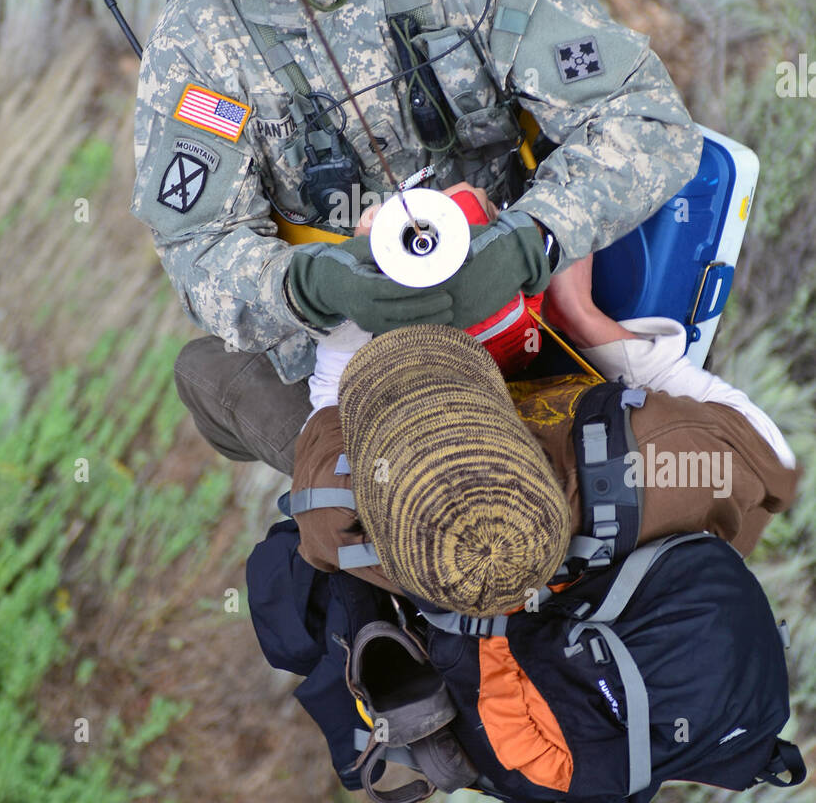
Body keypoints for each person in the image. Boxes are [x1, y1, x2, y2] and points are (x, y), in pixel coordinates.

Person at [130, 0, 703, 477]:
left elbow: (647, 122)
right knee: (366, 519)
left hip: (520, 302)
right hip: (345, 348)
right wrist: (308, 286)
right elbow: (199, 247)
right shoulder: (198, 43)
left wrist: (535, 239)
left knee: (679, 473)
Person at [287, 249, 800, 612]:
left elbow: (332, 391)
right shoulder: (663, 461)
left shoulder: (336, 512)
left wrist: (361, 269)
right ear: (517, 429)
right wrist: (583, 318)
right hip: (648, 522)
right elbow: (772, 455)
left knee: (208, 374)